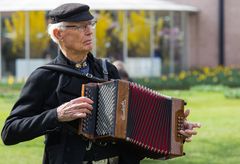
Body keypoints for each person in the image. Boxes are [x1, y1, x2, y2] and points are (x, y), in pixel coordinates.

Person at [1, 3, 201, 164]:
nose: (89, 32)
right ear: (58, 34)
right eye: (79, 27)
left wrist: (173, 128)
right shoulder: (45, 77)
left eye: (90, 24)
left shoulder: (107, 70)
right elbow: (10, 132)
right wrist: (57, 115)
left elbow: (137, 120)